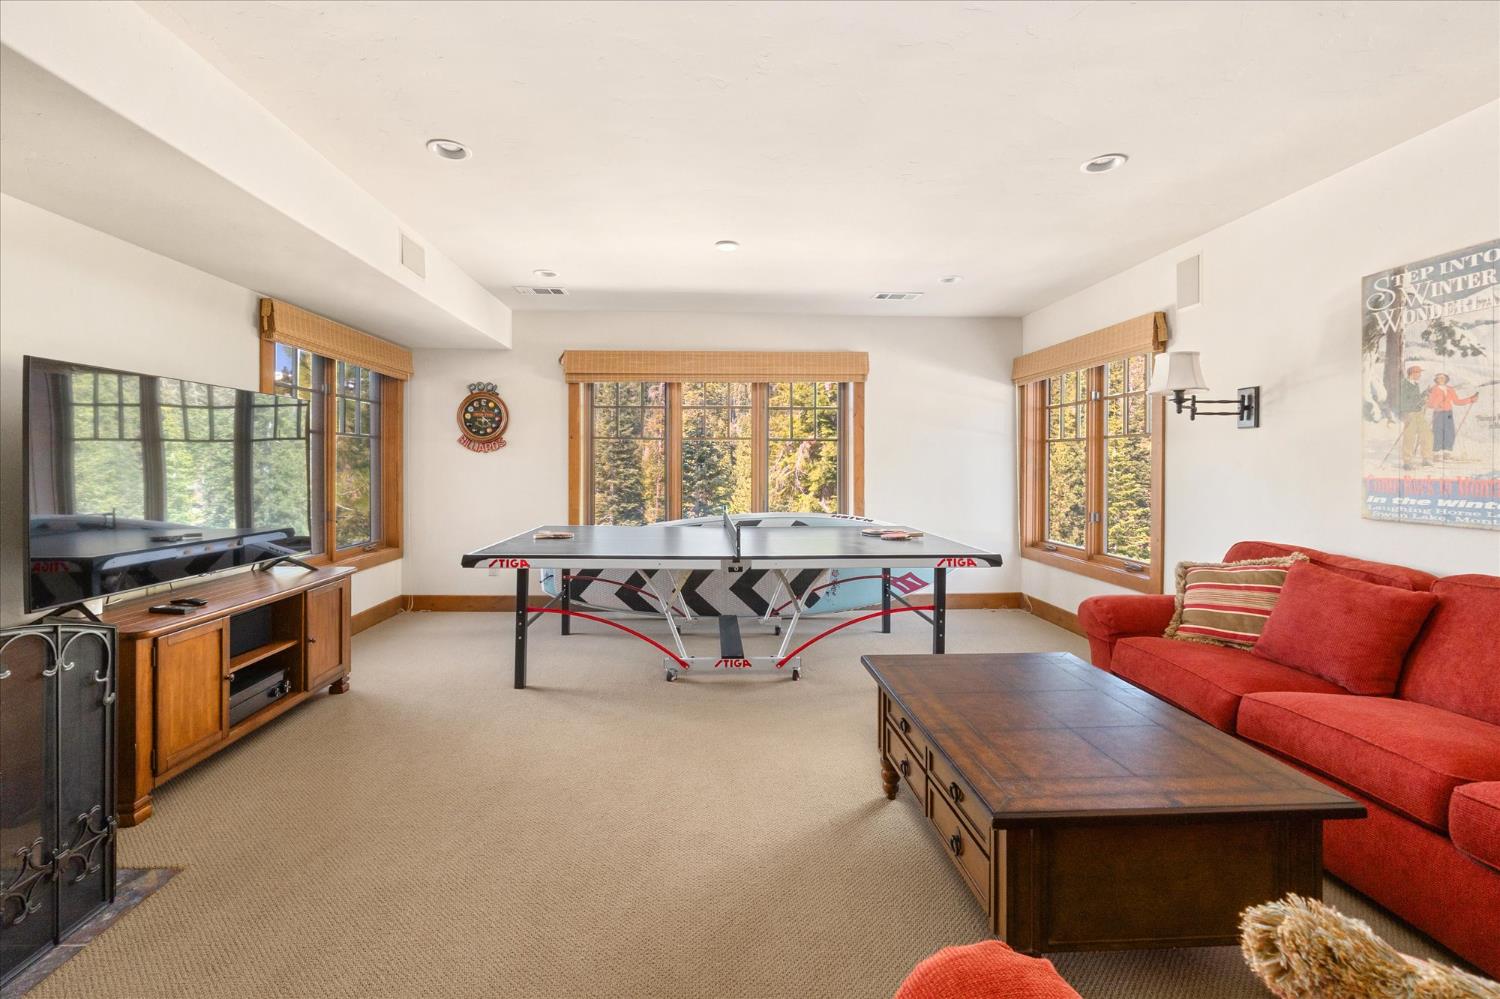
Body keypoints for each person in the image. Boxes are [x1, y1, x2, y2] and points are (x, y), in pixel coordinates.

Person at [1426, 373, 1479, 457]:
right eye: (1439, 378)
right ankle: (1437, 451)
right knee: (1438, 431)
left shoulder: (1450, 389)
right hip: (1438, 413)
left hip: (1448, 413)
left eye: (1443, 378)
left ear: (1446, 379)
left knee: (1449, 431)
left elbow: (1457, 401)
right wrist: (1436, 404)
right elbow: (1430, 404)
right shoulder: (1433, 389)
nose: (1441, 379)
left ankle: (1447, 451)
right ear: (1436, 380)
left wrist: (1470, 399)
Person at [1397, 364, 1432, 467]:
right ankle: (1407, 461)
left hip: (1418, 412)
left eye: (1420, 372)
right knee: (1409, 436)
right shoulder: (1404, 384)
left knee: (1427, 434)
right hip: (1409, 413)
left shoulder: (1415, 384)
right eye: (1418, 373)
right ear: (1412, 374)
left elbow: (1417, 398)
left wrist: (1425, 393)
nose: (1420, 375)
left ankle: (1426, 458)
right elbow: (1403, 400)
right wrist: (1420, 401)